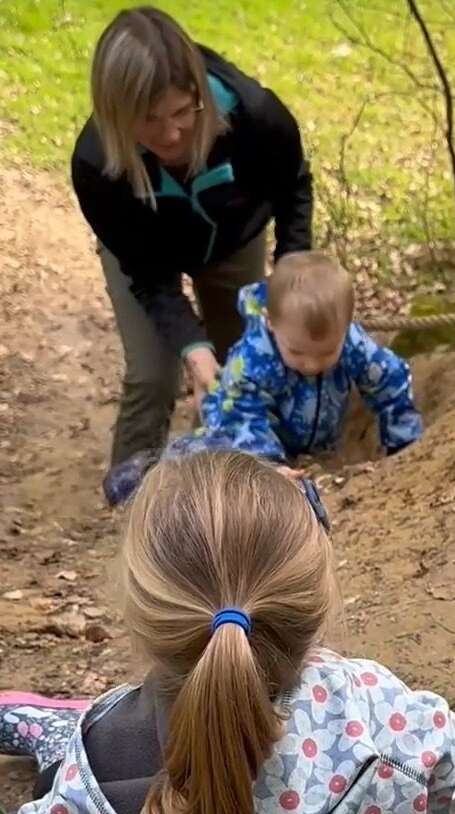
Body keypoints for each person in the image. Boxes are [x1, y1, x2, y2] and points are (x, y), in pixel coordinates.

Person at [1, 452, 455, 814]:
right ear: (318, 598)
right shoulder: (383, 718)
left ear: (138, 609)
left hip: (104, 754)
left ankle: (52, 737)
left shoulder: (89, 788)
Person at [73, 6, 313, 473]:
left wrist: (292, 269)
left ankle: (247, 473)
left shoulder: (255, 114)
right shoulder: (96, 164)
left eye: (182, 111)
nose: (171, 133)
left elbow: (293, 185)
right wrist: (191, 347)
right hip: (143, 257)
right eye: (148, 121)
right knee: (152, 376)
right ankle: (132, 489)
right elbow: (147, 276)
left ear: (199, 92)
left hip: (232, 239)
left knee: (242, 356)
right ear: (116, 115)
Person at [101, 251, 423, 505]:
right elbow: (243, 417)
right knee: (207, 455)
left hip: (307, 437)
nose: (311, 365)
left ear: (347, 328)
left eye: (326, 354)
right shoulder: (255, 357)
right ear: (271, 323)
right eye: (297, 353)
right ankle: (144, 477)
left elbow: (390, 381)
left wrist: (403, 442)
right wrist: (268, 465)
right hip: (237, 421)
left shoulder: (353, 343)